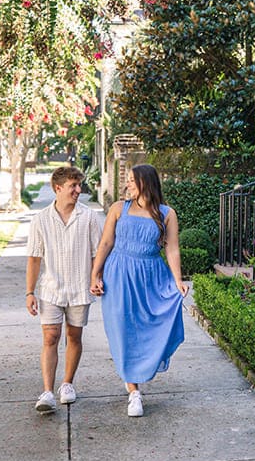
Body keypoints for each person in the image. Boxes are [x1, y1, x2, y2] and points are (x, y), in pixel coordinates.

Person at [90, 163, 187, 417]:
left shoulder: (167, 214)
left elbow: (172, 248)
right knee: (122, 330)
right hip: (119, 275)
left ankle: (137, 377)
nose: (128, 184)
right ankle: (133, 391)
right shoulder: (118, 209)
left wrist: (178, 280)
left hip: (151, 276)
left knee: (146, 329)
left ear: (146, 182)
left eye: (132, 180)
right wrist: (95, 274)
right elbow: (106, 243)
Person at [26, 165, 103, 413]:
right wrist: (30, 292)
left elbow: (98, 254)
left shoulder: (89, 217)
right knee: (50, 336)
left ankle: (67, 384)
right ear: (58, 188)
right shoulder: (40, 220)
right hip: (50, 289)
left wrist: (96, 278)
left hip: (80, 289)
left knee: (74, 336)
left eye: (79, 185)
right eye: (73, 186)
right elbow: (34, 258)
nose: (78, 190)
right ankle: (47, 392)